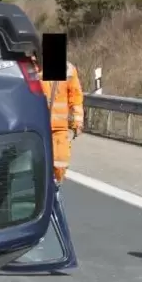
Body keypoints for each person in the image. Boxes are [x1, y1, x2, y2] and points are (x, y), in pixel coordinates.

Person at [37, 59, 85, 187]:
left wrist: (77, 122)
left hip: (59, 129)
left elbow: (75, 98)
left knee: (60, 162)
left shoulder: (68, 70)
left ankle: (55, 187)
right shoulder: (34, 66)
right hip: (38, 128)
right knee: (36, 164)